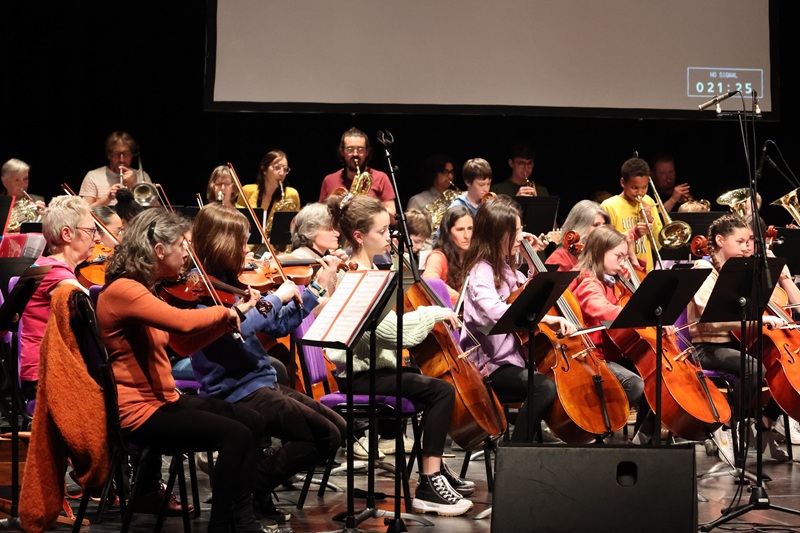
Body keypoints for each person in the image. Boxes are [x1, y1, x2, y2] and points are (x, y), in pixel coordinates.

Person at [96, 208, 274, 532]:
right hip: (140, 414)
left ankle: (240, 517)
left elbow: (180, 345)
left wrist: (227, 320)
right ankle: (223, 524)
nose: (186, 254)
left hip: (164, 400)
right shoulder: (124, 290)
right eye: (182, 245)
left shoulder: (143, 289)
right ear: (159, 250)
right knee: (235, 434)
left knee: (253, 420)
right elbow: (181, 321)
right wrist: (225, 311)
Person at [189, 203, 346, 526]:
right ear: (223, 244)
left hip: (261, 381)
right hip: (235, 390)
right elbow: (234, 327)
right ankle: (247, 490)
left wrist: (316, 288)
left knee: (338, 429)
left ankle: (250, 488)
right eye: (243, 243)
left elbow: (276, 326)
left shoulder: (235, 280)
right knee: (324, 436)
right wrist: (276, 297)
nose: (249, 251)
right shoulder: (200, 287)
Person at [326, 193, 473, 516]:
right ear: (359, 236)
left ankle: (431, 470)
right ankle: (429, 481)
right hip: (359, 376)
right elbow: (391, 333)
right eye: (381, 232)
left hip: (377, 370)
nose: (389, 238)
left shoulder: (376, 270)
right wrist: (433, 313)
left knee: (431, 383)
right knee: (441, 391)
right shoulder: (353, 277)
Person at [459, 197, 575, 442]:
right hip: (489, 366)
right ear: (497, 234)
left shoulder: (506, 266)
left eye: (521, 229)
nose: (522, 236)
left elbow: (532, 293)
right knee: (542, 386)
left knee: (555, 382)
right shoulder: (481, 270)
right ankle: (516, 448)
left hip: (514, 360)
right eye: (517, 231)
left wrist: (531, 258)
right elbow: (494, 310)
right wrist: (546, 322)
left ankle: (531, 437)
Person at [688, 214, 789, 460]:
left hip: (737, 343)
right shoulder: (703, 269)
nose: (747, 247)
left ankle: (764, 422)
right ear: (720, 240)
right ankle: (728, 423)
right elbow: (712, 317)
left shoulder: (741, 271)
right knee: (754, 369)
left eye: (749, 241)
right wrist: (760, 320)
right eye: (741, 241)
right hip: (708, 347)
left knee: (783, 368)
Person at [570, 225, 650, 438]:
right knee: (633, 384)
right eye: (618, 256)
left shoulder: (613, 281)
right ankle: (598, 431)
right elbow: (602, 309)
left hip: (613, 354)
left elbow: (639, 293)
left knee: (657, 374)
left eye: (624, 256)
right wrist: (639, 314)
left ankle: (644, 437)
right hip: (593, 358)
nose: (622, 262)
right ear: (599, 252)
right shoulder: (588, 282)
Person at [19, 196, 99, 401]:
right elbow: (93, 305)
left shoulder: (45, 264)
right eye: (91, 231)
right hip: (44, 375)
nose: (97, 238)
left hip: (50, 368)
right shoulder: (54, 272)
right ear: (67, 234)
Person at [601, 157, 663, 272]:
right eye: (634, 188)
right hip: (622, 272)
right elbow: (605, 246)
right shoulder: (609, 206)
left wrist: (650, 221)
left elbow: (658, 246)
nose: (640, 192)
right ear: (623, 183)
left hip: (647, 272)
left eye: (644, 187)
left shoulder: (648, 201)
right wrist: (635, 233)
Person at [318, 127, 396, 219]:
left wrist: (369, 206)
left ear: (367, 152)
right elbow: (320, 216)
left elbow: (393, 218)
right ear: (342, 152)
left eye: (360, 149)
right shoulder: (329, 180)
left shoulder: (381, 177)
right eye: (350, 149)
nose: (355, 154)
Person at [79, 131, 152, 207]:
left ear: (132, 155)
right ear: (109, 155)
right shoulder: (93, 176)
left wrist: (133, 186)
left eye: (126, 154)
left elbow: (155, 207)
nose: (121, 160)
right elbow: (84, 211)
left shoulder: (142, 176)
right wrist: (108, 198)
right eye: (116, 154)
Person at [422, 206, 473, 305]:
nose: (467, 235)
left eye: (470, 228)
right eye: (460, 230)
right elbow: (430, 282)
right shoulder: (437, 256)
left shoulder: (475, 256)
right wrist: (462, 300)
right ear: (448, 232)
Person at [546, 200, 609, 273]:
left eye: (604, 225)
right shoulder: (558, 259)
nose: (603, 230)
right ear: (580, 227)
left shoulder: (605, 253)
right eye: (596, 225)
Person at [1, 158, 46, 223]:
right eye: (17, 180)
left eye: (25, 179)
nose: (22, 184)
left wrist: (45, 216)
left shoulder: (37, 199)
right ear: (4, 181)